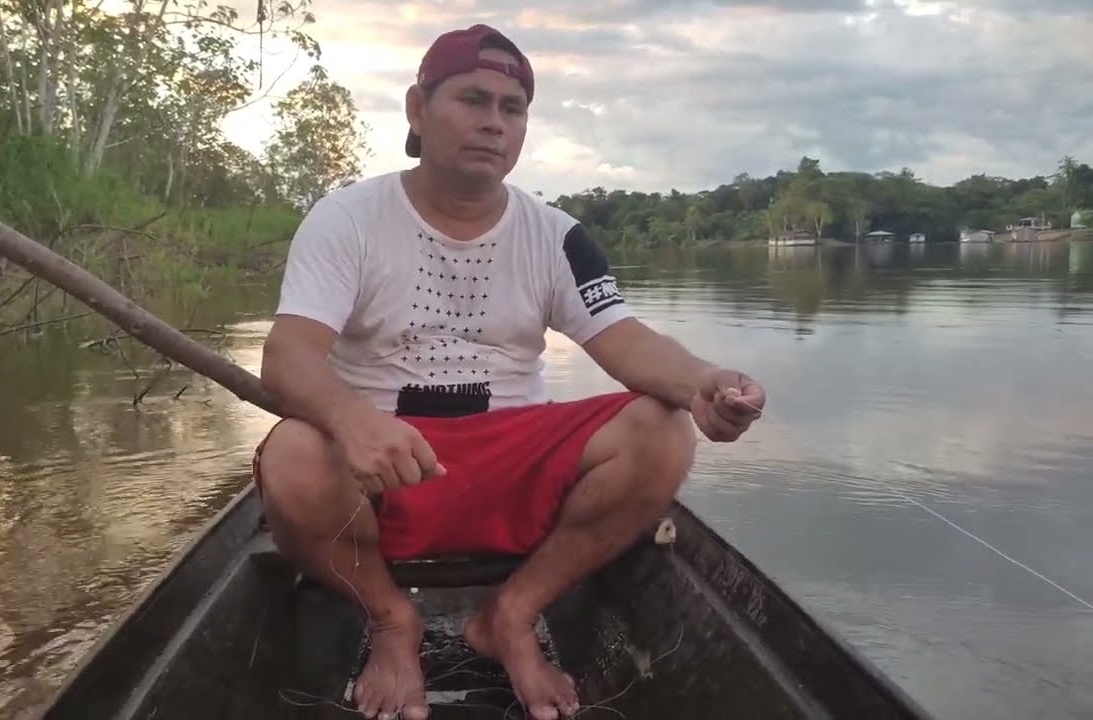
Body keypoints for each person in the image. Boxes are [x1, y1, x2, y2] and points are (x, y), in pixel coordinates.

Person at [254, 22, 766, 720]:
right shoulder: (347, 218)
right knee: (290, 452)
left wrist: (703, 381)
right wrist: (348, 419)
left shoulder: (558, 235)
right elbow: (287, 354)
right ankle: (388, 619)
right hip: (381, 469)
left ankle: (513, 614)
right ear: (416, 109)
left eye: (512, 108)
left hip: (513, 464)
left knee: (662, 429)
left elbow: (626, 341)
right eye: (473, 99)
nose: (493, 123)